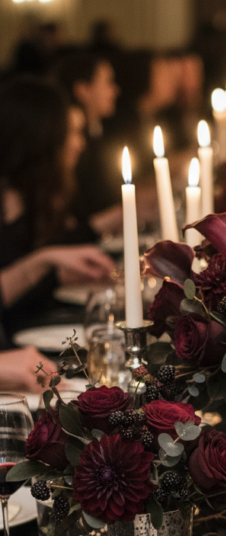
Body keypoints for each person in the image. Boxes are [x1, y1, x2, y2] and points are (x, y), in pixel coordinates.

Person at [0, 77, 114, 338]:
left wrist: (58, 273)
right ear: (41, 140)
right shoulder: (7, 201)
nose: (79, 143)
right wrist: (45, 261)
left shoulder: (37, 195)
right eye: (70, 132)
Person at [52, 50, 123, 233]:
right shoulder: (69, 151)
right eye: (108, 82)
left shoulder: (101, 133)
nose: (115, 90)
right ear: (82, 90)